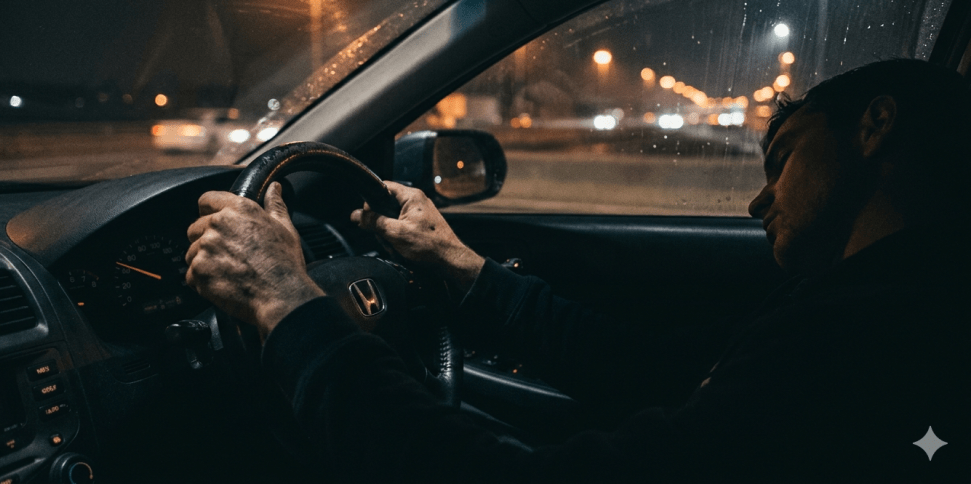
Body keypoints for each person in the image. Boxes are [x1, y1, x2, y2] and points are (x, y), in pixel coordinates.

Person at [185, 59, 970, 482]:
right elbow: (652, 368)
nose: (760, 202)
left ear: (874, 126)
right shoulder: (863, 301)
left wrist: (289, 305)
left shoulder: (878, 336)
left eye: (785, 157)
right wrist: (461, 268)